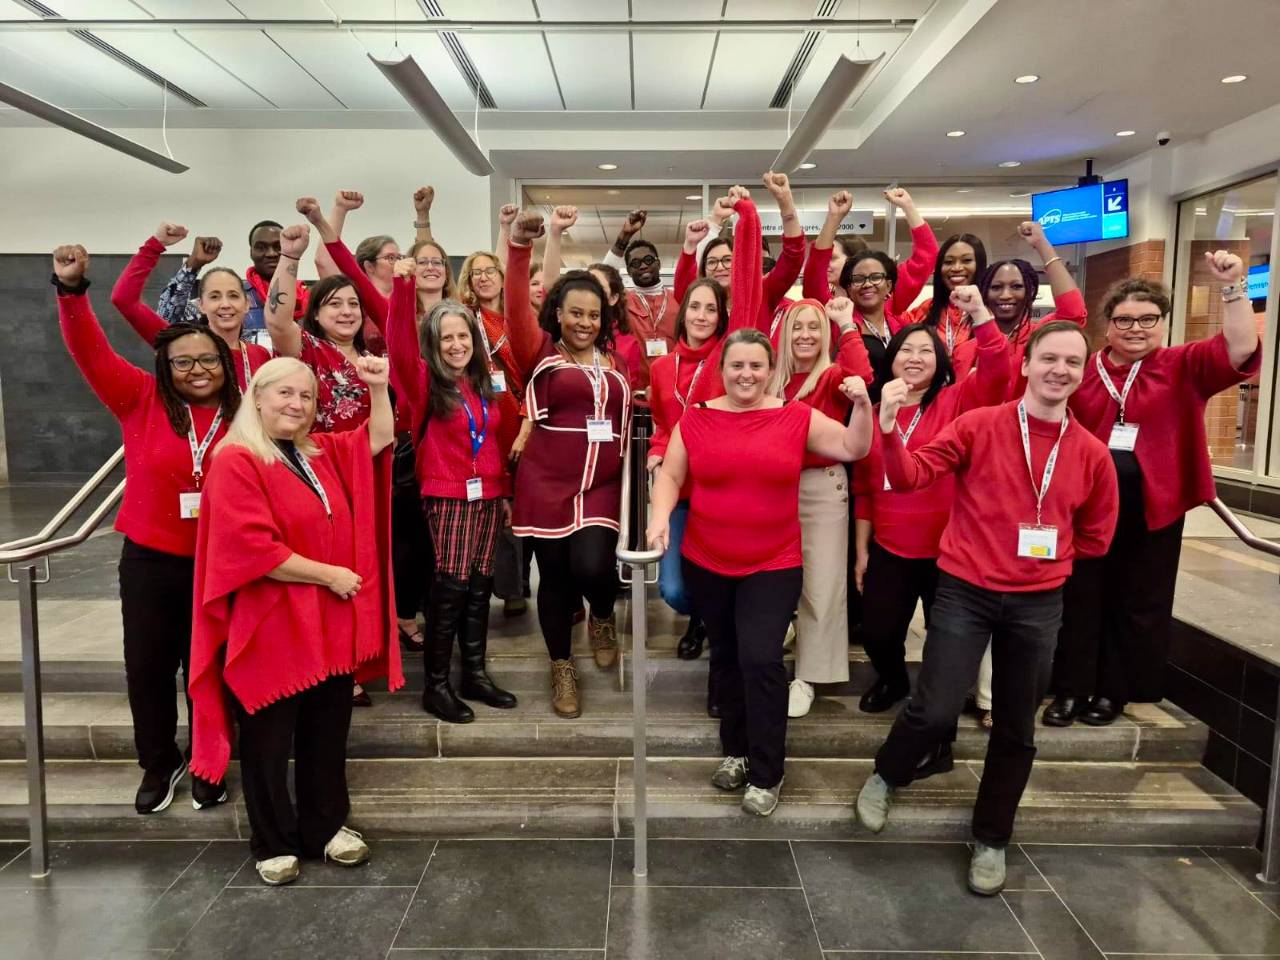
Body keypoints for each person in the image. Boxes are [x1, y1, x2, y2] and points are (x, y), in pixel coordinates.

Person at [854, 321, 1119, 896]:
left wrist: (1043, 561)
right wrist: (891, 430)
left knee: (1017, 727)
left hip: (1037, 602)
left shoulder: (1092, 455)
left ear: (1082, 373)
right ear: (1026, 364)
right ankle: (888, 773)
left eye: (1072, 362)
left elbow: (1097, 537)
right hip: (965, 590)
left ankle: (992, 836)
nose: (1059, 370)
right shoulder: (980, 425)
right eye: (1049, 358)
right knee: (935, 708)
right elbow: (910, 475)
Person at [188, 354, 401, 887]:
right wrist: (331, 575)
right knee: (267, 742)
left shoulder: (316, 451)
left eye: (306, 396)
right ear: (257, 397)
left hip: (328, 624)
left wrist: (378, 388)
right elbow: (252, 548)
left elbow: (377, 438)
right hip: (272, 626)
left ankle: (324, 827)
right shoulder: (235, 458)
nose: (297, 404)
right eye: (285, 393)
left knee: (326, 734)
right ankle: (273, 841)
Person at [647, 328, 873, 817]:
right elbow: (671, 474)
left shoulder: (795, 415)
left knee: (760, 658)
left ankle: (768, 771)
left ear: (771, 370)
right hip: (707, 560)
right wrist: (659, 517)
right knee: (726, 658)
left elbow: (853, 447)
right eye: (737, 365)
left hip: (773, 563)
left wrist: (863, 406)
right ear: (722, 370)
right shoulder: (697, 417)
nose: (746, 374)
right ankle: (735, 751)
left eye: (755, 366)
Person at [52, 242, 237, 815]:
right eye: (183, 361)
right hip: (152, 559)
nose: (197, 370)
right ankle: (159, 761)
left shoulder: (246, 412)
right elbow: (89, 350)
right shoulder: (138, 398)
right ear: (165, 366)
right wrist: (71, 291)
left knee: (211, 669)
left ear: (225, 363)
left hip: (224, 561)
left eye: (208, 360)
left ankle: (209, 760)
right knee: (149, 666)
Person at [1044, 254, 1263, 727]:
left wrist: (1233, 287)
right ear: (1108, 324)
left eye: (1148, 319)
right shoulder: (1083, 370)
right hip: (1086, 510)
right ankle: (1070, 688)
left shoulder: (1183, 364)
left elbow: (1241, 348)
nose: (1136, 329)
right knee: (1078, 599)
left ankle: (1113, 692)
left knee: (1137, 603)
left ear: (1163, 321)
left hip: (1153, 510)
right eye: (1125, 320)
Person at [852, 289, 1011, 732]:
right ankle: (893, 679)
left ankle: (936, 699)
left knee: (947, 638)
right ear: (891, 360)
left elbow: (998, 372)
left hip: (949, 550)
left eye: (926, 351)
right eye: (907, 350)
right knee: (879, 631)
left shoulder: (957, 401)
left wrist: (980, 313)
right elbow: (864, 487)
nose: (915, 358)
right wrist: (862, 551)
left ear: (940, 362)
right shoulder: (872, 411)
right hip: (891, 545)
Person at [506, 212, 631, 718]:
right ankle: (561, 665)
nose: (585, 322)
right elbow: (516, 304)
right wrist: (520, 247)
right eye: (575, 312)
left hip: (602, 485)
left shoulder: (615, 363)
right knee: (555, 579)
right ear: (557, 313)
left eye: (593, 315)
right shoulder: (538, 351)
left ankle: (601, 614)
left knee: (594, 565)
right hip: (547, 484)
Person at [386, 257, 522, 723]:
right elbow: (398, 344)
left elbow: (495, 442)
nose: (457, 344)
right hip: (447, 496)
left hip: (488, 495)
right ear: (433, 344)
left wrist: (505, 492)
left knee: (481, 586)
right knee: (451, 587)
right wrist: (403, 286)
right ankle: (437, 685)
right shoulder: (424, 381)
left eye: (463, 336)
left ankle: (475, 675)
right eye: (447, 338)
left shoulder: (483, 382)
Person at [766, 296, 872, 719]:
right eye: (797, 326)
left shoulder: (831, 377)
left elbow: (862, 377)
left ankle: (808, 676)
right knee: (773, 579)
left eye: (814, 326)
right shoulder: (771, 379)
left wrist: (846, 324)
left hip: (821, 487)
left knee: (821, 584)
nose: (805, 335)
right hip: (773, 489)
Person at [111, 222, 271, 390]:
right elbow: (124, 299)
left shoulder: (261, 355)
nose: (225, 304)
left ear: (246, 304)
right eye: (214, 296)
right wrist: (155, 245)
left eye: (233, 296)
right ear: (201, 305)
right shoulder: (181, 347)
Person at [952, 221, 1085, 397]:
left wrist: (1041, 244)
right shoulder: (965, 350)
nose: (1005, 295)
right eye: (996, 287)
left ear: (1030, 291)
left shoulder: (1040, 336)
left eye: (1016, 286)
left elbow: (1074, 312)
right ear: (985, 293)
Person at [673, 173, 807, 327]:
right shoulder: (700, 305)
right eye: (711, 262)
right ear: (704, 271)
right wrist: (714, 221)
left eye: (727, 260)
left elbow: (792, 258)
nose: (720, 267)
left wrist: (786, 202)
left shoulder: (762, 293)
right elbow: (682, 288)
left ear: (740, 263)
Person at [156, 219, 309, 342]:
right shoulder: (232, 298)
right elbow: (165, 322)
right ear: (251, 252)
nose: (270, 253)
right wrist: (193, 264)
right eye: (261, 247)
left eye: (278, 246)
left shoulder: (308, 299)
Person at [603, 209, 680, 383]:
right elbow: (604, 276)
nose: (643, 266)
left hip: (673, 387)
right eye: (636, 263)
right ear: (629, 271)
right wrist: (624, 236)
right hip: (635, 389)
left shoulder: (679, 298)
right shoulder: (622, 301)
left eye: (648, 260)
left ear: (658, 263)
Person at [902, 233, 990, 353]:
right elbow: (891, 317)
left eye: (966, 260)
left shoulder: (991, 310)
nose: (956, 268)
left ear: (980, 265)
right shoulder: (927, 309)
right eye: (948, 262)